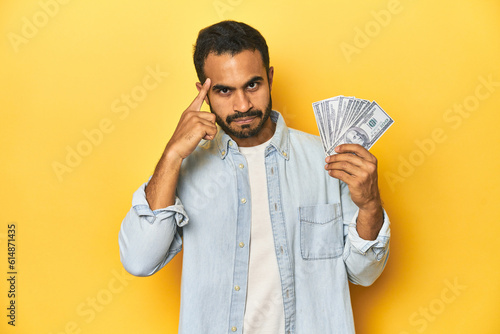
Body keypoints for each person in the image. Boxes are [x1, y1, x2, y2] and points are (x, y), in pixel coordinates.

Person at [118, 20, 390, 334]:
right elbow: (139, 260)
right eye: (224, 90)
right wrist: (171, 155)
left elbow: (365, 273)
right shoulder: (183, 169)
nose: (243, 105)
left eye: (252, 85)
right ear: (203, 92)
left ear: (270, 78)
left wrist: (370, 205)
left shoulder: (328, 161)